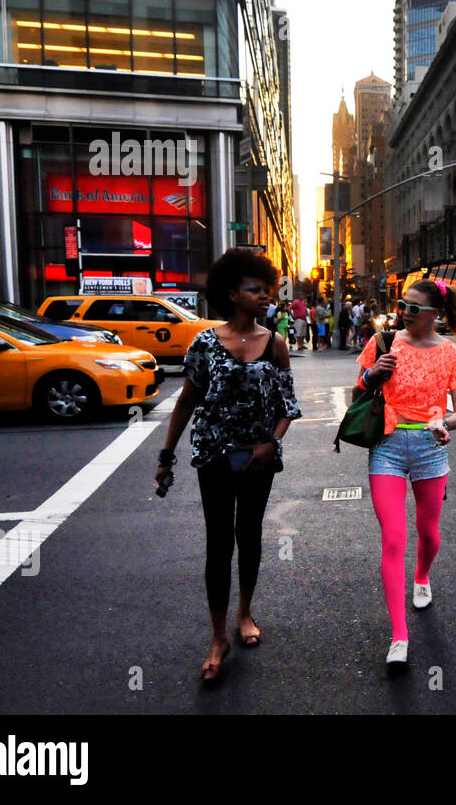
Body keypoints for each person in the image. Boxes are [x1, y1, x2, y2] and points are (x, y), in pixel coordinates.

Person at [155, 248, 301, 683]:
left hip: (258, 459)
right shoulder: (204, 342)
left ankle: (246, 614)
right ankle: (218, 636)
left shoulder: (275, 343)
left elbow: (287, 406)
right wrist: (166, 456)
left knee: (249, 535)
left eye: (268, 292)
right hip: (214, 458)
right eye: (256, 290)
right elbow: (186, 401)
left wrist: (269, 444)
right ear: (232, 293)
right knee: (218, 543)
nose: (265, 298)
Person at [357, 279, 456, 667]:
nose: (404, 313)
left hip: (429, 448)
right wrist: (373, 375)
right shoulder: (384, 342)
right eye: (403, 305)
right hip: (386, 446)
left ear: (435, 314)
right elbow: (358, 389)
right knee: (393, 537)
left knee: (429, 530)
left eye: (414, 309)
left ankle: (422, 575)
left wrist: (444, 423)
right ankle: (399, 635)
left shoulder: (451, 353)